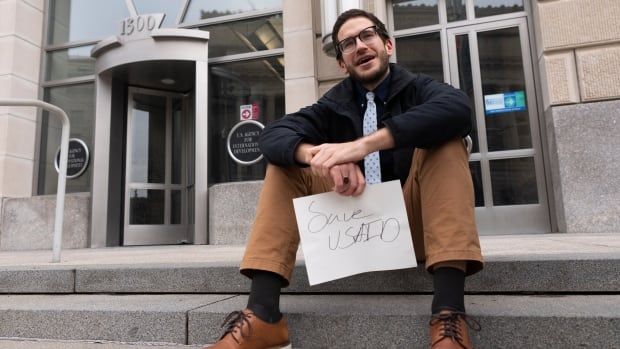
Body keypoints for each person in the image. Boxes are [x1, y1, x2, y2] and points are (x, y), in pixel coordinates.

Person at [207, 8, 483, 349]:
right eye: (348, 43)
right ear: (341, 63)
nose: (360, 46)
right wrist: (319, 157)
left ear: (387, 45)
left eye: (367, 36)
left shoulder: (419, 89)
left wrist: (359, 147)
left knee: (446, 141)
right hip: (352, 231)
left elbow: (458, 110)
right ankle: (263, 315)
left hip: (416, 229)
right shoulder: (332, 104)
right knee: (286, 161)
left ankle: (448, 316)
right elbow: (273, 136)